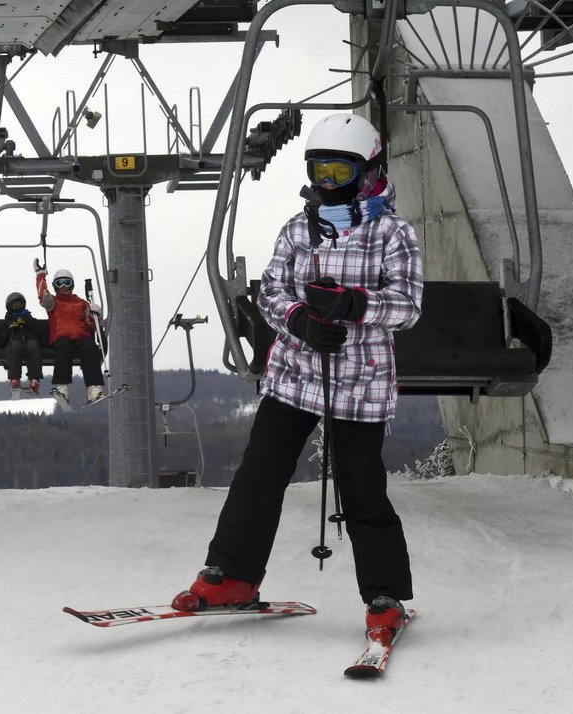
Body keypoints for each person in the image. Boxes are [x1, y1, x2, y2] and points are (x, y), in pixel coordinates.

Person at [171, 113, 423, 647]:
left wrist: (357, 305)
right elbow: (270, 293)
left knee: (363, 489)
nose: (326, 183)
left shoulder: (393, 233)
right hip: (293, 376)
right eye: (319, 171)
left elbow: (407, 306)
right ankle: (233, 575)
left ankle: (385, 596)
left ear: (368, 170)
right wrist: (300, 321)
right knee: (259, 474)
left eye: (338, 171)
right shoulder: (297, 228)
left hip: (361, 382)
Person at [33, 260, 106, 404]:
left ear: (71, 285)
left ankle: (93, 389)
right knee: (63, 348)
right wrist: (40, 275)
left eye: (66, 282)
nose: (64, 286)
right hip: (62, 336)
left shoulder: (82, 303)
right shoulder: (53, 302)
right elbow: (43, 297)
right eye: (60, 283)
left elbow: (90, 324)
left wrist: (96, 314)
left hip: (82, 336)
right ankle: (63, 387)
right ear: (55, 286)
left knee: (90, 348)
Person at [0, 291, 44, 395]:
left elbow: (40, 332)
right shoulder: (7, 321)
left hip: (29, 341)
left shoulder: (29, 318)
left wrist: (28, 324)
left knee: (33, 347)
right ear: (9, 307)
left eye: (20, 304)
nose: (17, 306)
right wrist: (10, 328)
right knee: (15, 347)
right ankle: (14, 379)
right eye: (15, 304)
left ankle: (34, 379)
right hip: (13, 342)